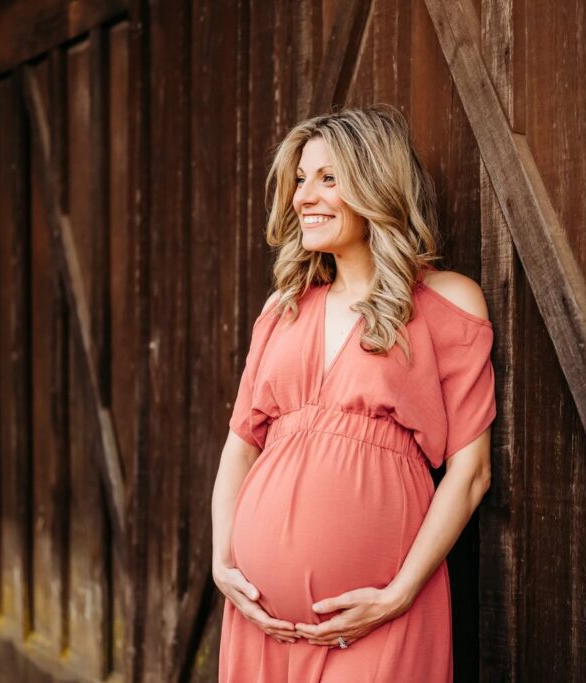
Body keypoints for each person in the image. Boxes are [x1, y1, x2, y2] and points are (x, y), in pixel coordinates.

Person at [211, 105, 496, 682]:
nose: (302, 197)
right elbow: (240, 447)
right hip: (259, 620)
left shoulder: (448, 303)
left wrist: (398, 594)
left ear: (376, 185)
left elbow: (471, 475)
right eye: (299, 180)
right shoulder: (283, 308)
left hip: (380, 619)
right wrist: (223, 564)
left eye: (327, 178)